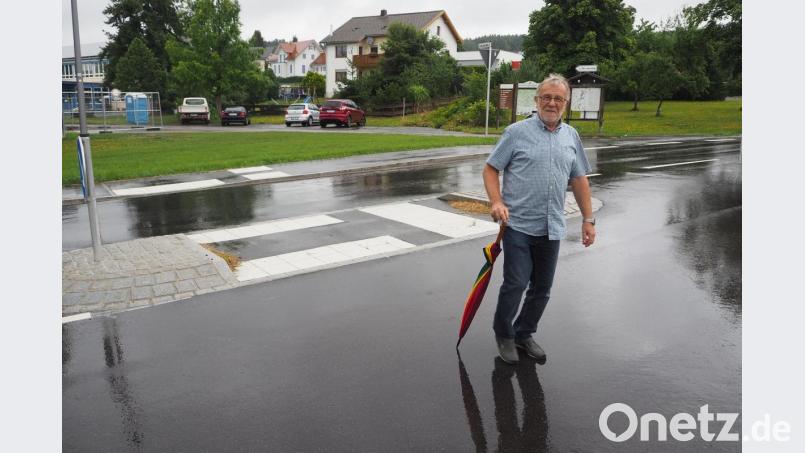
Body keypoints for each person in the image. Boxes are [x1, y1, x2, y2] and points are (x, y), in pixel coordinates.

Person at [483, 73, 596, 364]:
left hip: (552, 225)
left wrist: (588, 219)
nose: (552, 102)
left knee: (542, 289)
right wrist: (496, 201)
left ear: (566, 104)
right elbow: (491, 169)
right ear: (536, 100)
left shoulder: (571, 136)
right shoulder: (516, 132)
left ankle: (524, 333)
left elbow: (580, 178)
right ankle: (504, 333)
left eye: (558, 98)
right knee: (516, 283)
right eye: (546, 97)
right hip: (518, 224)